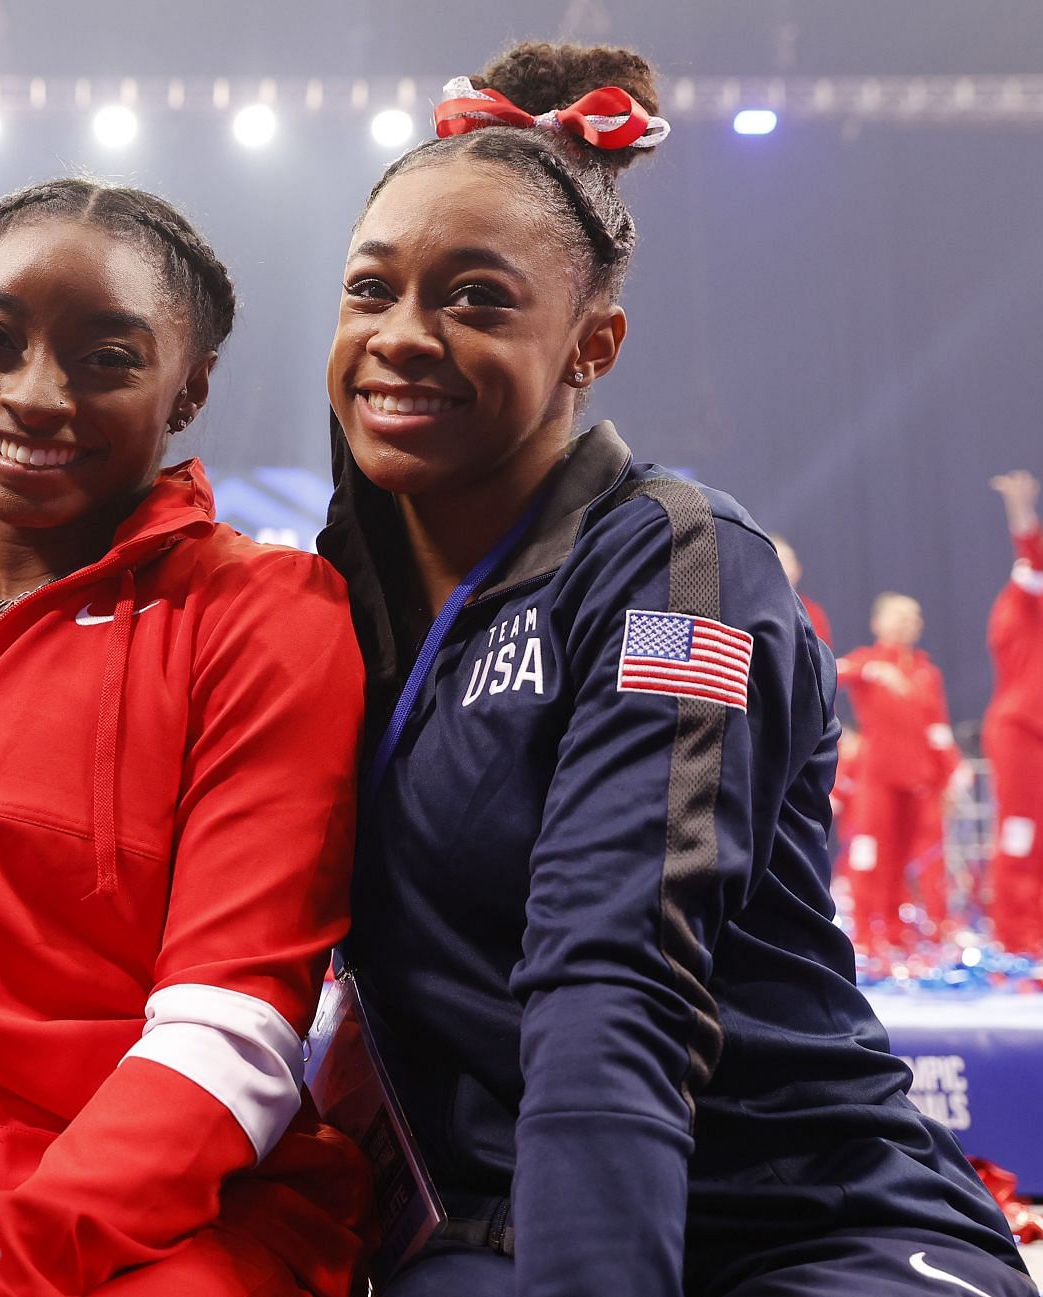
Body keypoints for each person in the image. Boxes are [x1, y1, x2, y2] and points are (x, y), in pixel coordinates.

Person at [316, 40, 1031, 1297]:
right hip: (486, 1226)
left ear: (594, 345)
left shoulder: (672, 564)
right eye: (371, 290)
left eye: (477, 298)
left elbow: (618, 967)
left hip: (802, 1210)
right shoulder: (323, 600)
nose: (402, 337)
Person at [0, 178, 368, 1295]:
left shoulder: (264, 617)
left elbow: (235, 1029)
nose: (33, 394)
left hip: (163, 1235)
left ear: (189, 387)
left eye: (106, 357)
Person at [837, 594, 967, 952]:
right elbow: (833, 671)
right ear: (877, 623)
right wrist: (872, 670)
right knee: (870, 856)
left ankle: (899, 934)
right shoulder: (868, 662)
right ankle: (864, 935)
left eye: (912, 617)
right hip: (877, 780)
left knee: (910, 860)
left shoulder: (927, 672)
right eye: (897, 616)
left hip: (919, 782)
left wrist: (954, 770)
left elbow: (937, 728)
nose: (905, 623)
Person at [985, 469, 1043, 952]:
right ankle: (1016, 935)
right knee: (1021, 829)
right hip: (1021, 728)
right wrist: (1021, 510)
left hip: (1032, 726)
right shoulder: (1023, 602)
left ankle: (1032, 930)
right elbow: (1031, 552)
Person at [770, 533, 832, 648]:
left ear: (798, 570)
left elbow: (818, 658)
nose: (785, 569)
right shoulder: (749, 610)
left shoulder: (812, 614)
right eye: (779, 561)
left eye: (788, 562)